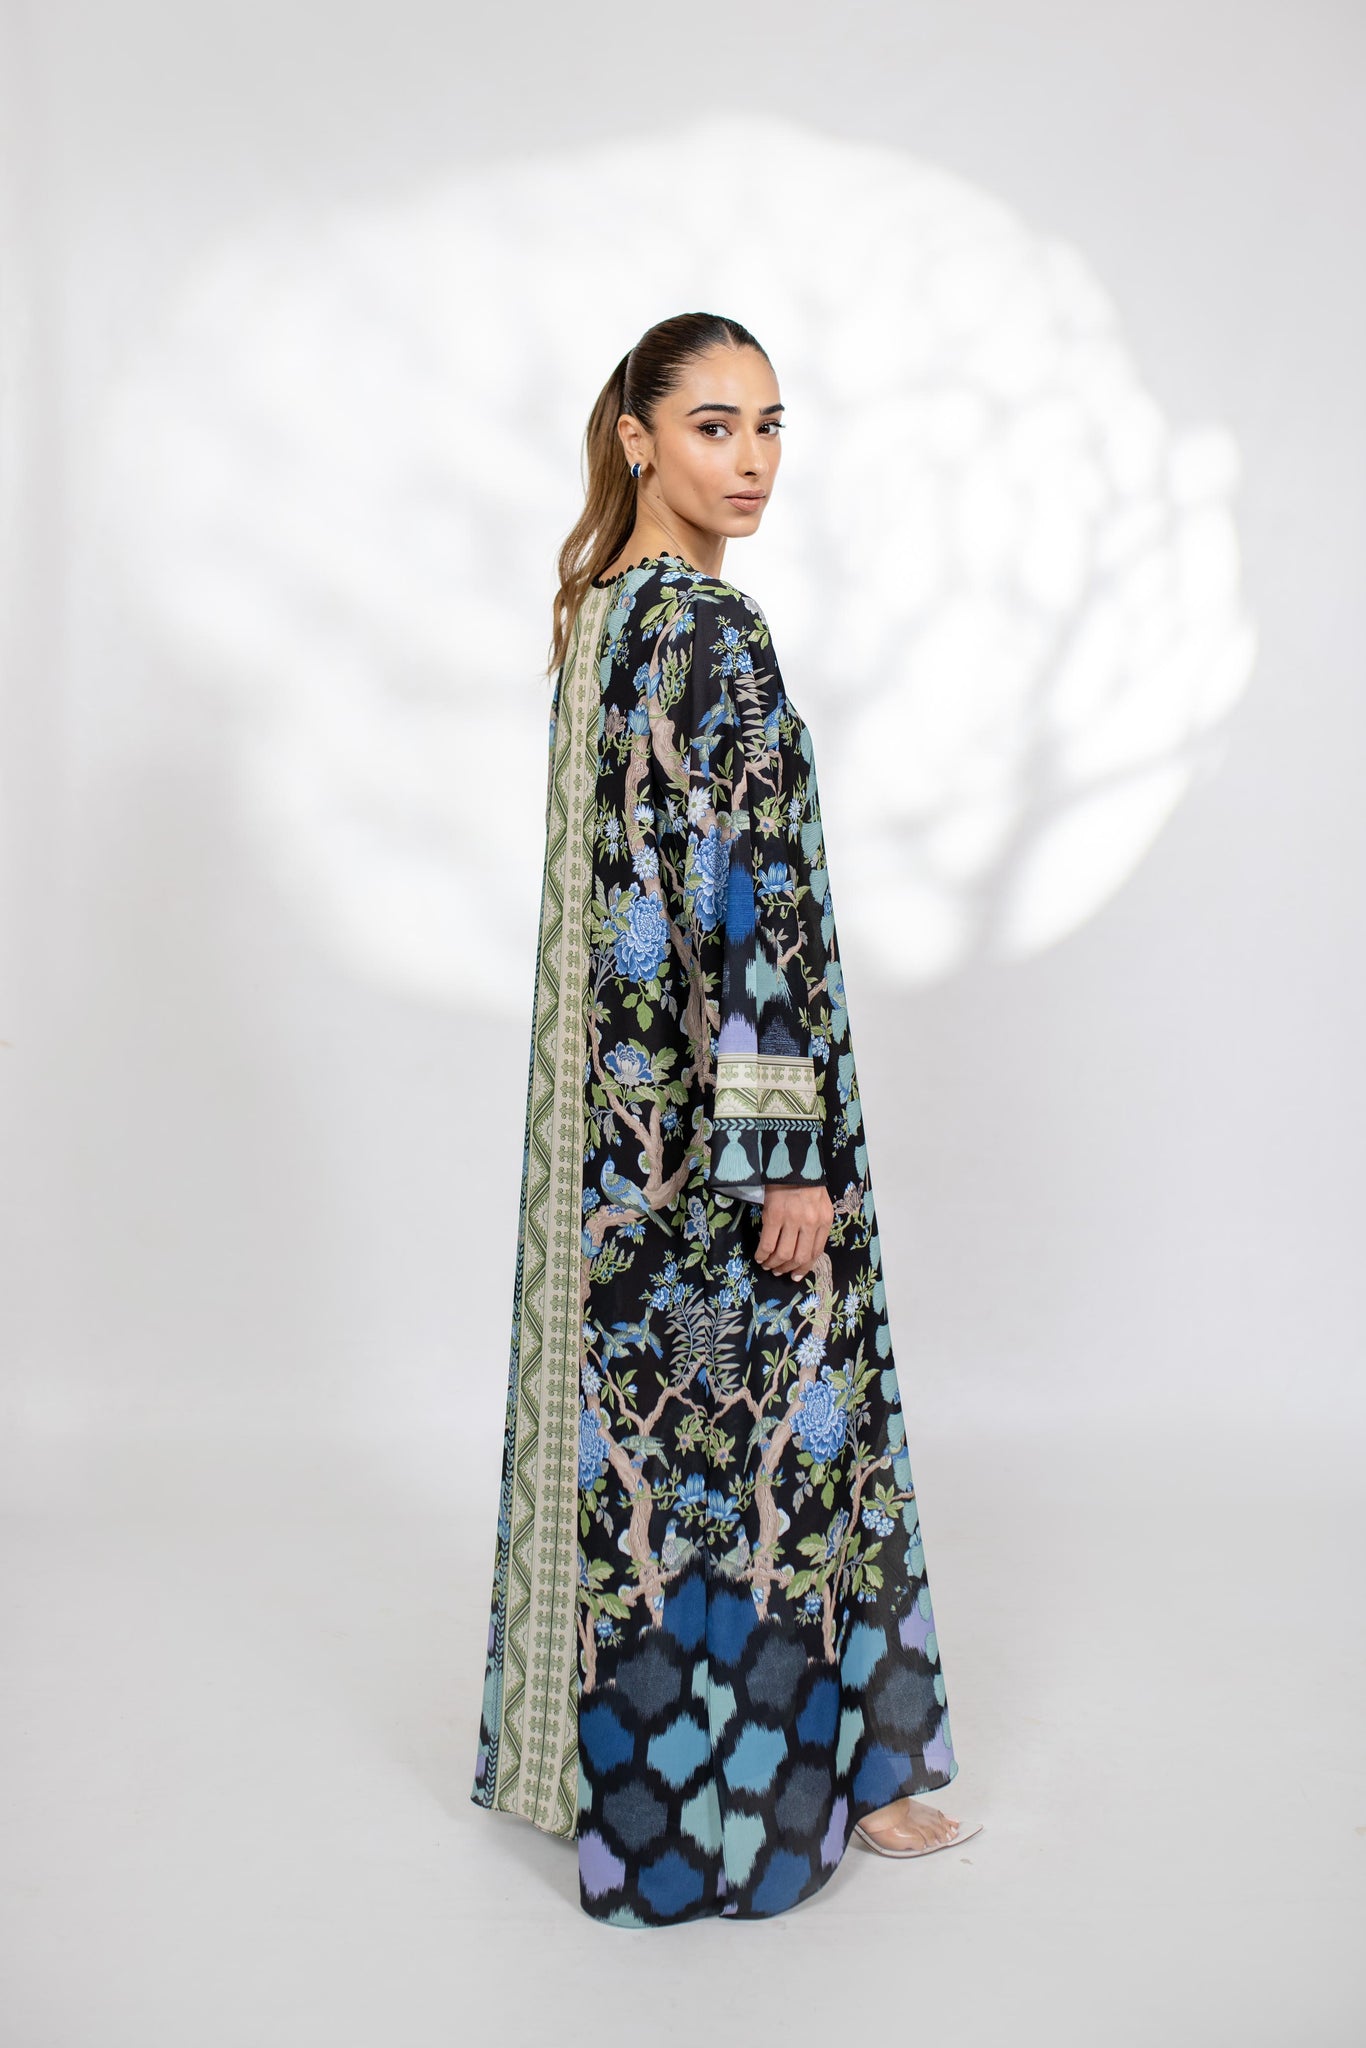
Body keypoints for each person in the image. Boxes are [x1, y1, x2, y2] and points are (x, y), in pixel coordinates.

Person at [470, 311, 978, 1926]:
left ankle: (639, 1792)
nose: (750, 461)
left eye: (769, 427)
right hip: (733, 1134)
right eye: (712, 426)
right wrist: (784, 1156)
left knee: (659, 1464)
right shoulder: (706, 630)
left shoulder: (601, 619)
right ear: (635, 438)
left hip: (627, 1142)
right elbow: (742, 899)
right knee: (779, 1447)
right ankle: (799, 1800)